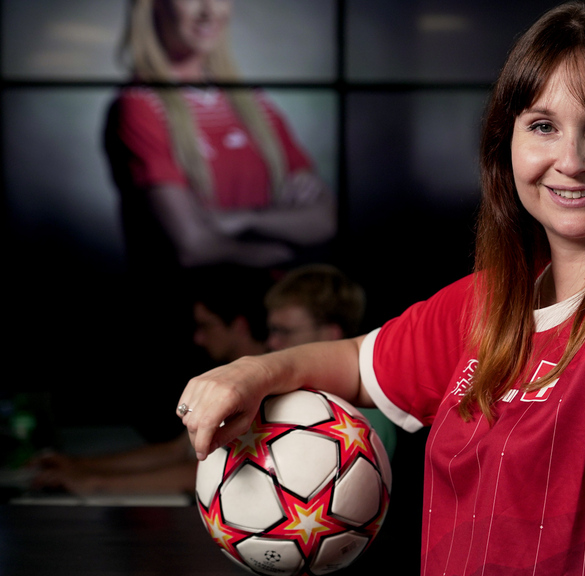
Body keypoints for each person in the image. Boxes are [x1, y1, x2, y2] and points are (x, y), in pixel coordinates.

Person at [178, 4, 585, 575]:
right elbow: (355, 363)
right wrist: (251, 372)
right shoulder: (495, 299)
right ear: (504, 144)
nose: (571, 160)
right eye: (542, 125)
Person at [102, 0, 336, 437]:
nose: (210, 10)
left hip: (263, 342)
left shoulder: (254, 105)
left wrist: (235, 222)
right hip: (186, 344)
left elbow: (323, 220)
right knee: (200, 482)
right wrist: (283, 237)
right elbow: (192, 246)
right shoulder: (140, 106)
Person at [31, 266, 273, 496]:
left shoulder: (264, 387)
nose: (198, 338)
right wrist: (80, 466)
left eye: (205, 326)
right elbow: (178, 450)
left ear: (240, 326)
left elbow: (222, 470)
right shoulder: (228, 377)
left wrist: (95, 483)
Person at [264, 264, 398, 458]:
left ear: (331, 334)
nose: (272, 342)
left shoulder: (362, 418)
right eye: (272, 330)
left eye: (284, 331)